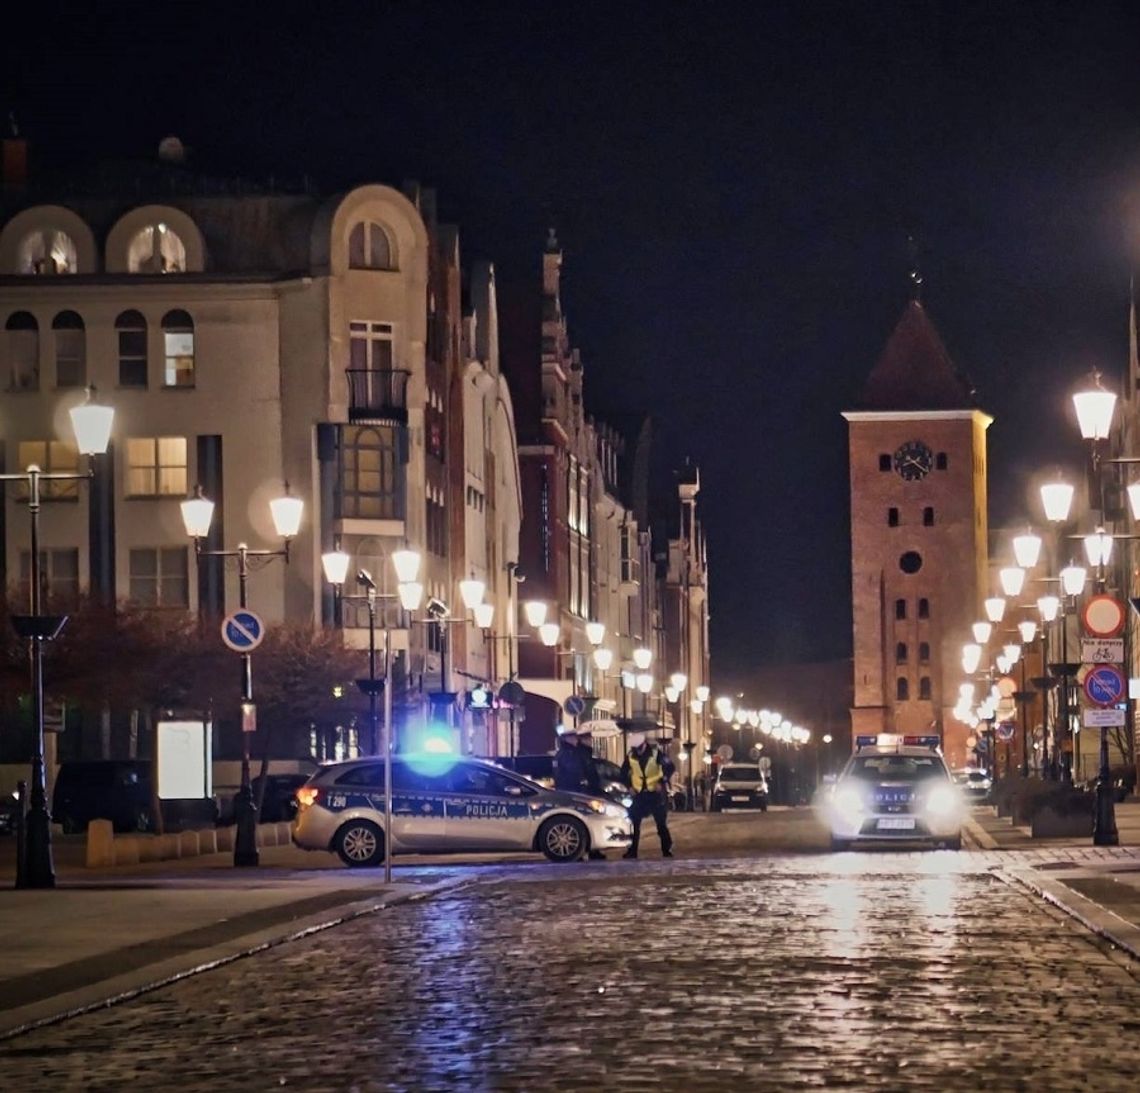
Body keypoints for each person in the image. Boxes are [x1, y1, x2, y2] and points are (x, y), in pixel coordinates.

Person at [621, 731, 675, 859]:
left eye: (639, 748)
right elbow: (623, 773)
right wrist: (629, 787)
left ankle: (666, 849)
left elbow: (670, 767)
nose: (638, 751)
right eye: (635, 749)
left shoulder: (657, 754)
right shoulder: (630, 756)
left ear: (644, 744)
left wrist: (662, 782)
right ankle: (632, 851)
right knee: (634, 824)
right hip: (639, 794)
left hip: (655, 794)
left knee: (661, 823)